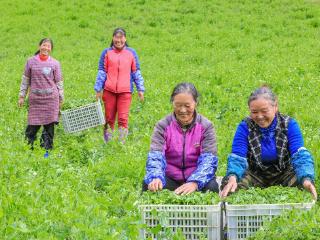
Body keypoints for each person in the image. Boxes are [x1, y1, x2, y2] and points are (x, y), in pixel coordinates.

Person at [220, 86, 317, 200]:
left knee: (306, 184)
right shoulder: (245, 126)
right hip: (255, 174)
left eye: (264, 111)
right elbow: (238, 156)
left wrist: (306, 178)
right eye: (254, 112)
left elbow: (299, 154)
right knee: (231, 185)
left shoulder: (289, 124)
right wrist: (233, 177)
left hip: (284, 173)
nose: (260, 116)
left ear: (275, 107)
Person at [143, 83, 219, 195]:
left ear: (195, 103)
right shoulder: (163, 126)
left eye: (187, 106)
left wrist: (195, 182)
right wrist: (156, 177)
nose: (183, 110)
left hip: (196, 178)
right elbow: (156, 155)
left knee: (212, 187)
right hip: (170, 178)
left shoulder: (206, 126)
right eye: (178, 105)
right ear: (172, 103)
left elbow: (209, 159)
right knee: (149, 185)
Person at [94, 27, 145, 143]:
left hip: (125, 92)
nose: (119, 40)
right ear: (113, 38)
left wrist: (140, 89)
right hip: (109, 91)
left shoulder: (131, 53)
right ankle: (108, 143)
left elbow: (136, 72)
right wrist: (98, 89)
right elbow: (102, 72)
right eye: (116, 37)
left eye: (121, 37)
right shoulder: (106, 52)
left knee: (123, 119)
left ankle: (121, 144)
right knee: (109, 119)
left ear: (125, 39)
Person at [18, 38, 63, 157]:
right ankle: (29, 152)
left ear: (51, 49)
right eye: (44, 45)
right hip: (36, 101)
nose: (46, 48)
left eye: (48, 46)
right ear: (39, 46)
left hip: (51, 100)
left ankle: (46, 154)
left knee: (49, 129)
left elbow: (59, 83)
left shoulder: (55, 63)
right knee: (32, 127)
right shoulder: (30, 62)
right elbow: (25, 80)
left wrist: (61, 98)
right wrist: (21, 96)